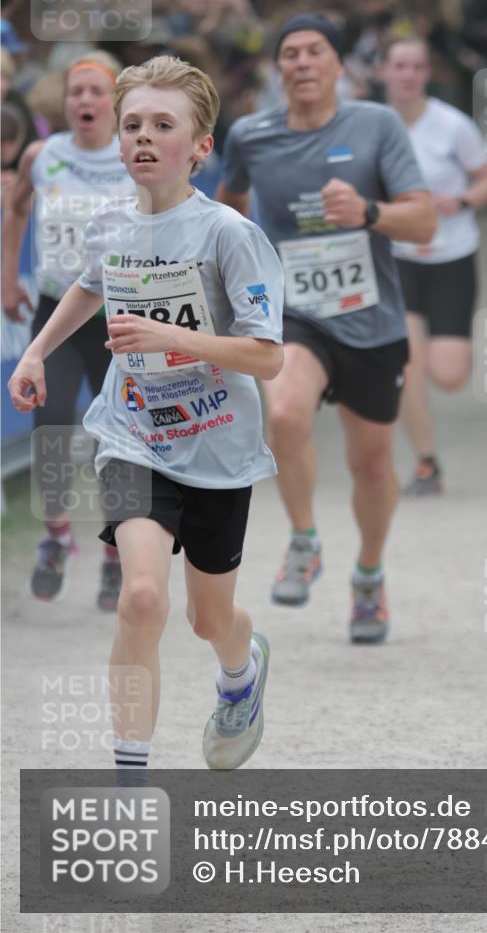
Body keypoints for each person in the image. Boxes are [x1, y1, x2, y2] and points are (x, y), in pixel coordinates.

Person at [8, 55, 284, 772]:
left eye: (164, 125)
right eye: (132, 124)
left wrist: (173, 338)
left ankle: (240, 672)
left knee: (208, 619)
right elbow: (87, 286)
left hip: (218, 448)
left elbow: (266, 358)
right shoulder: (110, 225)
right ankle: (131, 779)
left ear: (200, 147)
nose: (142, 137)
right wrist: (35, 353)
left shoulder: (228, 234)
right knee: (139, 598)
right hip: (132, 435)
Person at [216, 13, 436, 643]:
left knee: (372, 465)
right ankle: (305, 540)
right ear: (278, 68)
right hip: (297, 315)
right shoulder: (251, 135)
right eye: (290, 53)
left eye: (316, 51)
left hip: (370, 321)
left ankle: (369, 575)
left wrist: (367, 211)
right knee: (285, 415)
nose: (303, 62)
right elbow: (229, 206)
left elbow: (424, 221)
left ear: (339, 64)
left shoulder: (376, 125)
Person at [1, 51, 133, 609]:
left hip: (121, 319)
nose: (84, 100)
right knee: (50, 424)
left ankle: (116, 554)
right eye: (76, 91)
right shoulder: (43, 154)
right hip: (58, 312)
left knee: (119, 438)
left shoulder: (134, 155)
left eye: (96, 91)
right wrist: (8, 278)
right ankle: (56, 538)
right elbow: (16, 210)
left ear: (115, 102)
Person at [379, 35, 487, 496]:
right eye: (399, 65)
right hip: (398, 258)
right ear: (384, 72)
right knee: (407, 363)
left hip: (452, 255)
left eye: (416, 66)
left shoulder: (453, 125)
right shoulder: (372, 125)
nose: (408, 75)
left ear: (427, 74)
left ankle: (449, 352)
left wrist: (463, 200)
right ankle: (427, 463)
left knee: (448, 375)